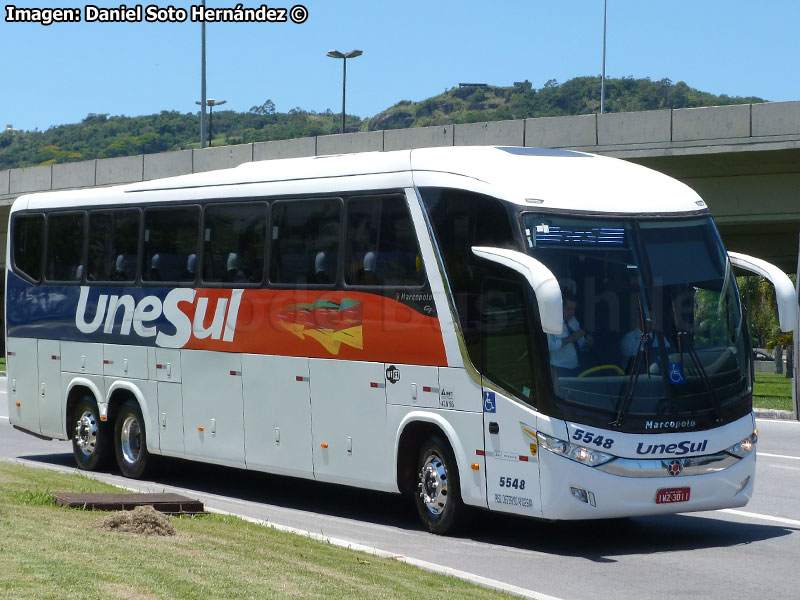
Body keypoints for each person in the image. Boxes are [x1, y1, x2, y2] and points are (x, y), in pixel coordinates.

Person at [547, 295, 593, 377]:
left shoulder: (573, 321)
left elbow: (581, 345)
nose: (572, 313)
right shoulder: (550, 323)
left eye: (574, 309)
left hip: (577, 368)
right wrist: (571, 338)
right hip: (559, 369)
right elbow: (550, 345)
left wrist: (587, 344)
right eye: (569, 309)